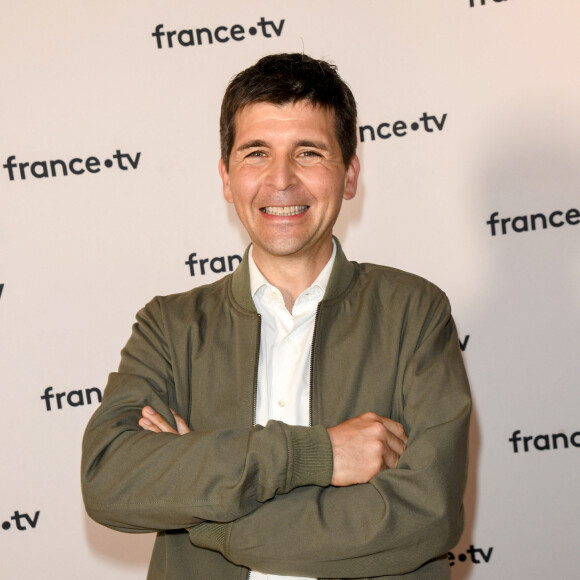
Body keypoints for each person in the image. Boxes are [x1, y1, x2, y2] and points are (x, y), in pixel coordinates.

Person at [81, 53, 471, 580]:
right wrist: (319, 454)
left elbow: (426, 516)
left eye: (308, 153)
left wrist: (211, 519)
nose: (280, 180)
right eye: (256, 153)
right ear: (226, 178)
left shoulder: (414, 313)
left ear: (350, 173)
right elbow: (111, 480)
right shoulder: (169, 327)